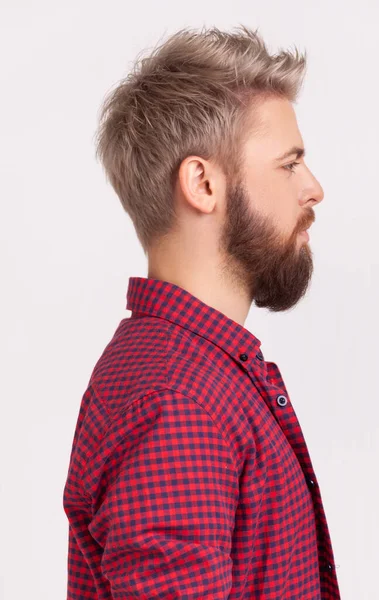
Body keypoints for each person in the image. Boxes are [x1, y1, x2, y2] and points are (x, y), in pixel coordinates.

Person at [63, 25, 341, 599]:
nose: (314, 189)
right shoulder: (177, 400)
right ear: (203, 183)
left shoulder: (201, 375)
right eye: (289, 164)